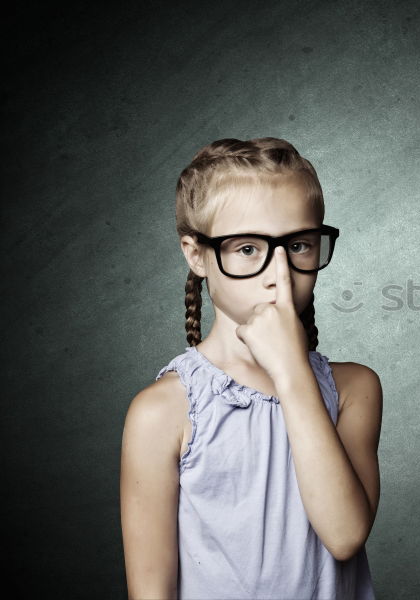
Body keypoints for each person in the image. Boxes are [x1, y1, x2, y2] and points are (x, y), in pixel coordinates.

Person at [119, 137, 381, 599]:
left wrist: (291, 371)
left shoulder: (354, 388)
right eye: (246, 249)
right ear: (196, 254)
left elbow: (344, 536)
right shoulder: (163, 412)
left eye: (299, 244)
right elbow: (150, 590)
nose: (279, 273)